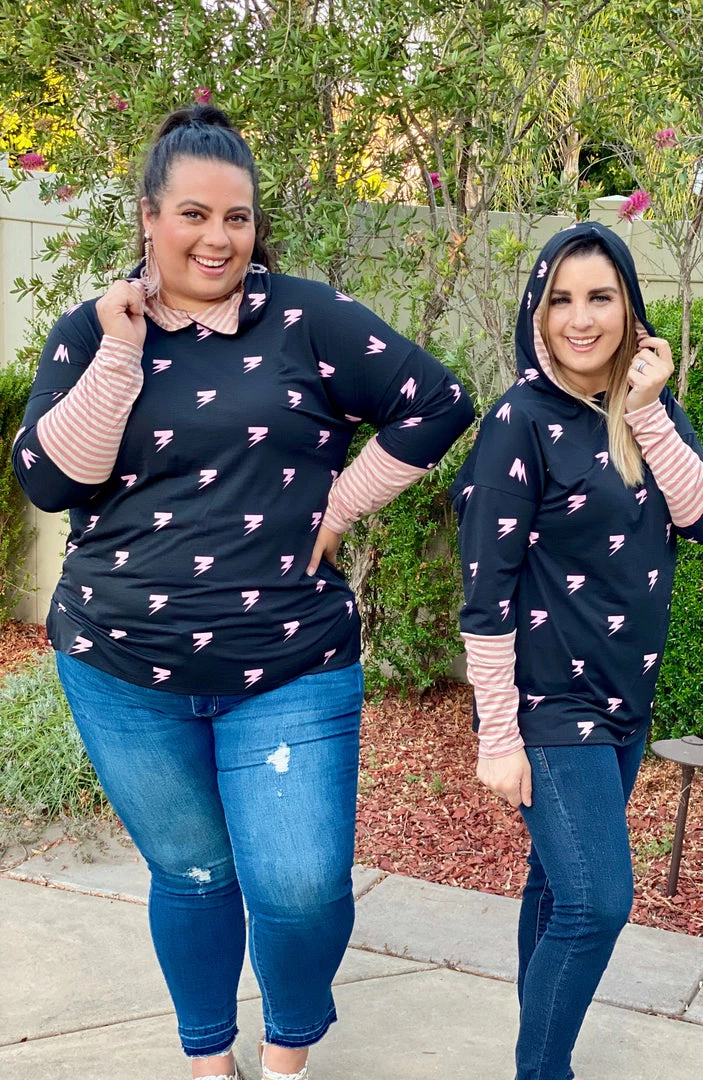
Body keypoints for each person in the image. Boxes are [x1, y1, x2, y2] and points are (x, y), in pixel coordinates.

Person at [13, 104, 473, 1080]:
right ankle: (208, 1059)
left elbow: (437, 402)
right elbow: (51, 481)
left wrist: (341, 504)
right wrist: (120, 353)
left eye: (237, 217)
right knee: (192, 874)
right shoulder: (92, 330)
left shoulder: (306, 318)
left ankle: (287, 1046)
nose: (217, 237)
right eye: (193, 214)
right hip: (120, 665)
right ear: (148, 217)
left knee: (301, 888)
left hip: (290, 662)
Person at [451, 221, 703, 1080]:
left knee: (554, 886)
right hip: (549, 705)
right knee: (597, 904)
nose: (580, 318)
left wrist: (645, 412)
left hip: (624, 699)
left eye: (600, 297)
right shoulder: (518, 423)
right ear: (536, 313)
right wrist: (497, 735)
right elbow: (485, 596)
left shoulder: (647, 411)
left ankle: (537, 1057)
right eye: (561, 299)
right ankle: (543, 1071)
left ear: (629, 308)